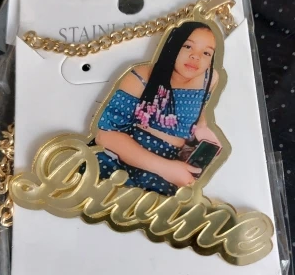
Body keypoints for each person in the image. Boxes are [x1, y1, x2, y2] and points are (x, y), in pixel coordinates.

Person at [91, 21, 223, 196]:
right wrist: (166, 169)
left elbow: (199, 107)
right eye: (187, 46)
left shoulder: (209, 79)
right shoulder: (141, 77)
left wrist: (201, 128)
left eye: (206, 53)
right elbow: (105, 135)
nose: (196, 56)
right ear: (173, 45)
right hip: (124, 157)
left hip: (171, 163)